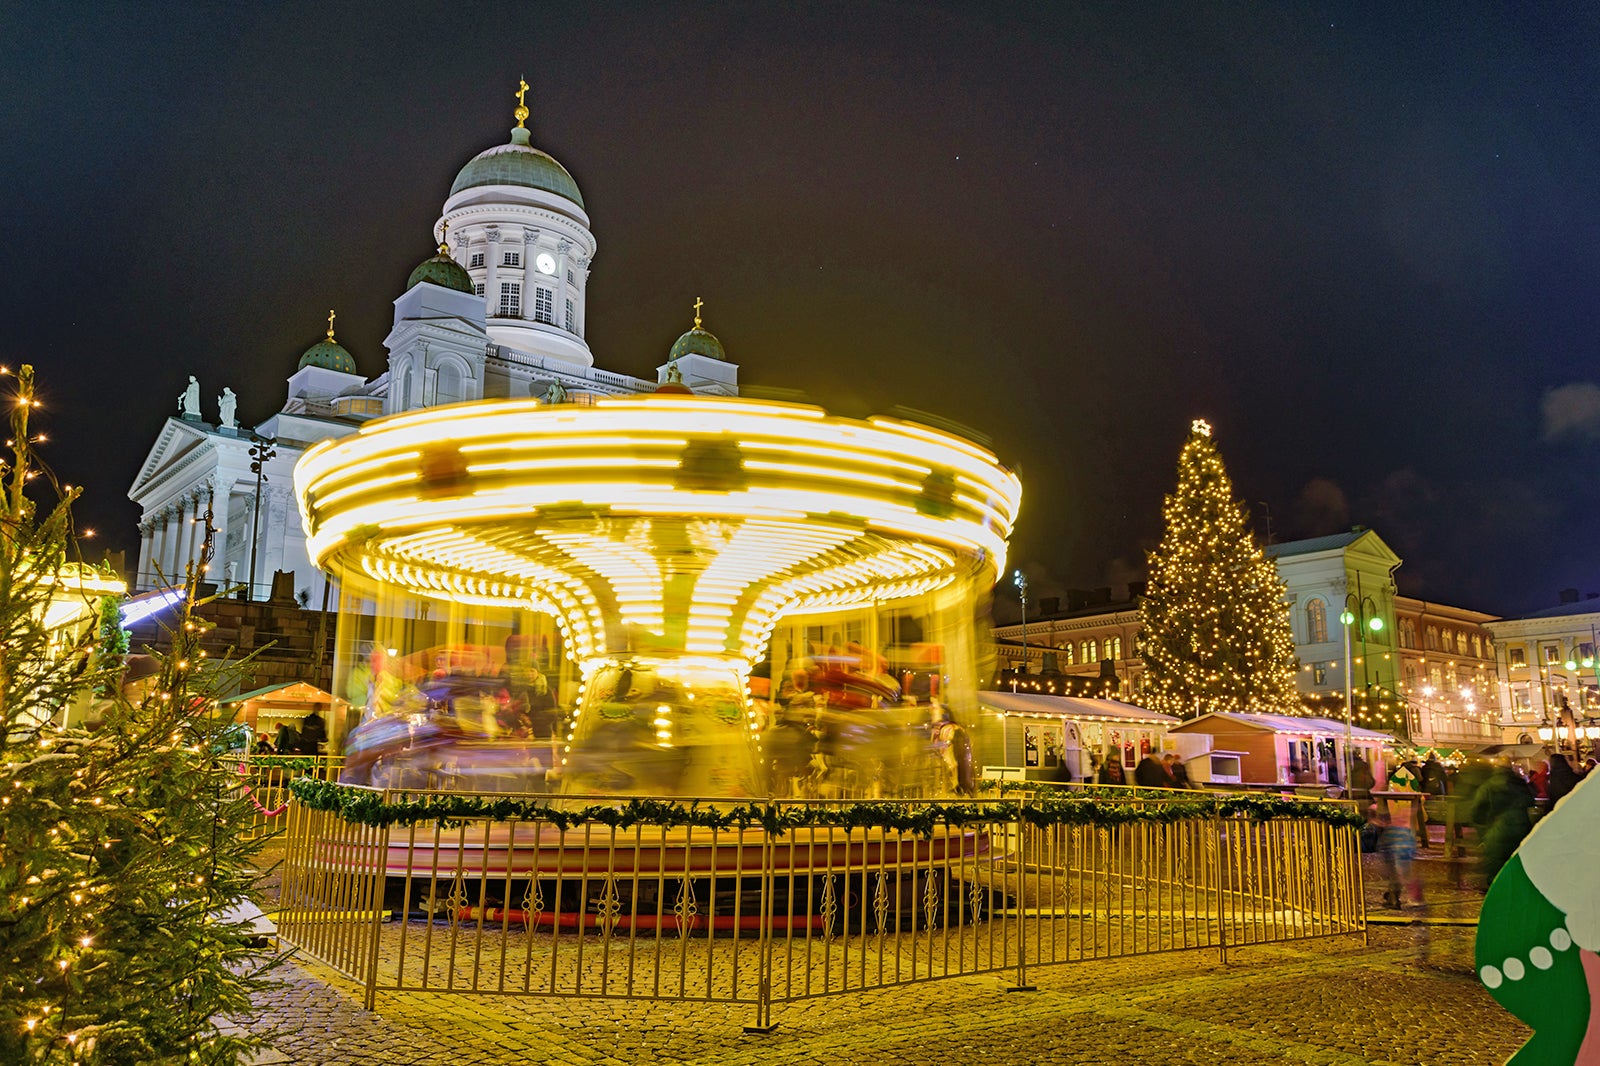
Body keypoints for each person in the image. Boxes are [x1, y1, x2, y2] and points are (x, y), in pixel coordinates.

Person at [1470, 763, 1536, 888]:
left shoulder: (1488, 785)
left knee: (1496, 862)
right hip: (1521, 826)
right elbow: (1531, 801)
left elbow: (1477, 810)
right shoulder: (1520, 784)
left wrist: (1483, 826)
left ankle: (1496, 891)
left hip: (1498, 828)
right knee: (1518, 862)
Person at [1374, 808, 1419, 909]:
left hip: (1393, 837)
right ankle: (1393, 895)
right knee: (1401, 871)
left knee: (1393, 871)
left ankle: (1394, 898)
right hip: (1406, 838)